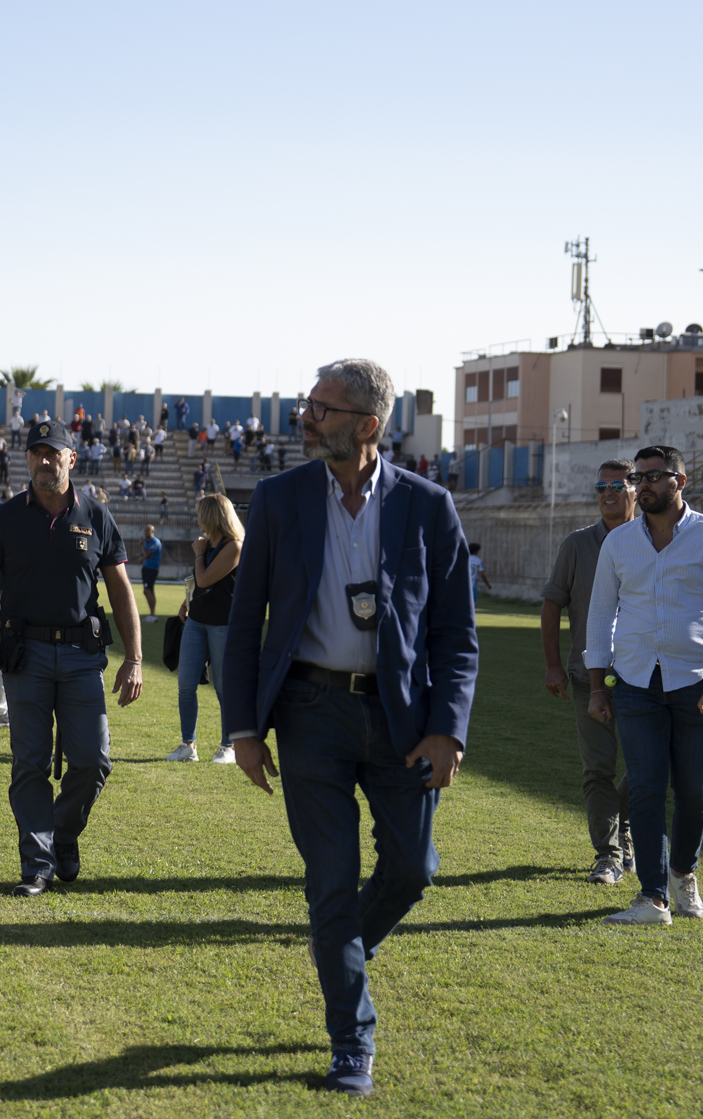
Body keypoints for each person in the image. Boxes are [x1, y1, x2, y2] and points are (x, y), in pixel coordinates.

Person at [220, 359, 477, 1097]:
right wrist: (243, 728)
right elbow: (246, 621)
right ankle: (351, 1041)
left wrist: (448, 728)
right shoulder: (279, 498)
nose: (305, 419)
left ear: (367, 425)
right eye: (307, 405)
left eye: (321, 410)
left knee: (413, 870)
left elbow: (456, 633)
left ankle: (340, 949)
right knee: (329, 884)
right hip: (309, 713)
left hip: (404, 721)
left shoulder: (428, 506)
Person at [0, 418, 142, 898]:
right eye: (36, 453)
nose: (44, 461)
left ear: (71, 458)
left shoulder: (96, 515)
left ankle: (62, 834)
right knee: (29, 764)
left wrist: (135, 658)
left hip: (81, 656)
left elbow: (121, 590)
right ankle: (36, 864)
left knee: (93, 760)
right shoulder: (6, 517)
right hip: (25, 656)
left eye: (53, 453)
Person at [585, 445, 703, 928]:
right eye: (639, 477)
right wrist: (597, 687)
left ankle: (683, 875)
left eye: (655, 476)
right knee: (646, 789)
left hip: (697, 680)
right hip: (635, 680)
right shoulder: (619, 543)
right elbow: (600, 614)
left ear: (681, 481)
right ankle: (652, 897)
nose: (644, 485)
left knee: (696, 791)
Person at [539, 461, 638, 884]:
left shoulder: (653, 541)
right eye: (601, 486)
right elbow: (551, 604)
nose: (607, 492)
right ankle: (608, 855)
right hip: (587, 677)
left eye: (617, 484)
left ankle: (624, 825)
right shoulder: (577, 544)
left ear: (636, 490)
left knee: (651, 764)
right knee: (598, 768)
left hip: (644, 677)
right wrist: (553, 665)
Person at [166, 493, 244, 765]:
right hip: (196, 622)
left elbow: (205, 578)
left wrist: (199, 554)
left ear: (212, 516)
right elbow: (198, 585)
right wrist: (185, 603)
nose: (197, 519)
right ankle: (188, 746)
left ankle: (228, 746)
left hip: (223, 625)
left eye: (200, 514)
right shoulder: (207, 543)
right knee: (186, 686)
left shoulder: (234, 546)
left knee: (223, 689)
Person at [138, 524, 163, 618]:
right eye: (144, 531)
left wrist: (141, 545)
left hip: (152, 568)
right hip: (145, 568)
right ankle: (152, 614)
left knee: (146, 591)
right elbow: (141, 557)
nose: (145, 533)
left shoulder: (155, 542)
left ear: (152, 531)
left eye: (147, 531)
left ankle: (152, 615)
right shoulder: (146, 543)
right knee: (150, 591)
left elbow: (148, 555)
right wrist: (144, 556)